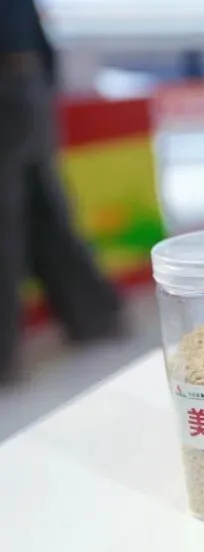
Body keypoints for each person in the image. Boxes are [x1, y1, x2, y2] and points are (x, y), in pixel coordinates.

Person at [0, 0, 125, 384]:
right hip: (27, 80)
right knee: (44, 211)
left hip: (13, 84)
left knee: (18, 219)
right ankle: (96, 317)